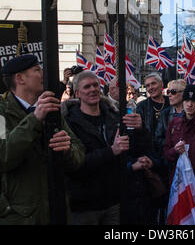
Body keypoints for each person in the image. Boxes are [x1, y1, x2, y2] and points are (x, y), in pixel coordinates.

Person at [0, 54, 85, 225]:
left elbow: (79, 154)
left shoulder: (51, 110)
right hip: (19, 216)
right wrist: (34, 119)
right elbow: (3, 156)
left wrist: (67, 150)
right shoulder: (2, 112)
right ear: (20, 79)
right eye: (37, 70)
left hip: (54, 210)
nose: (43, 73)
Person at [63, 70, 142, 225]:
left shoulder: (114, 116)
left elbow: (134, 148)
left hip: (113, 200)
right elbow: (74, 165)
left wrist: (140, 130)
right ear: (77, 93)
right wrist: (111, 151)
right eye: (87, 87)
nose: (93, 89)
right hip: (84, 205)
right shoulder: (69, 122)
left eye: (95, 85)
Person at [164, 84, 195, 220]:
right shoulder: (175, 123)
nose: (189, 105)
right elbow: (166, 153)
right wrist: (175, 151)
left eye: (194, 101)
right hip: (181, 186)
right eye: (186, 101)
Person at [155, 79, 185, 156]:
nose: (169, 95)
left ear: (183, 93)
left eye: (173, 92)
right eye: (168, 92)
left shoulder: (192, 113)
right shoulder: (165, 114)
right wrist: (173, 145)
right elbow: (158, 138)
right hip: (171, 158)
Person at [136, 72, 170, 142]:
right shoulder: (141, 106)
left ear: (161, 84)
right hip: (150, 147)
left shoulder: (171, 102)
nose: (151, 87)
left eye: (153, 83)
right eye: (147, 86)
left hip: (170, 147)